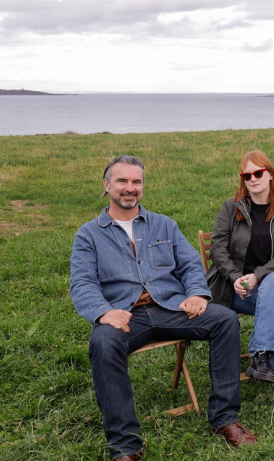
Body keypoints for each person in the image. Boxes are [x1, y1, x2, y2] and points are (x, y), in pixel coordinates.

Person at [69, 156, 255, 461]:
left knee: (224, 320)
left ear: (143, 186)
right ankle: (125, 445)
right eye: (122, 181)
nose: (130, 188)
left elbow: (191, 265)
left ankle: (225, 419)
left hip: (171, 307)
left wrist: (197, 293)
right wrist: (103, 312)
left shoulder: (164, 225)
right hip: (127, 316)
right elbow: (82, 283)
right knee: (103, 342)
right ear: (107, 185)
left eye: (136, 182)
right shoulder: (88, 235)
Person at [206, 151, 274, 390]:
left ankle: (262, 356)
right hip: (232, 289)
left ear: (270, 175)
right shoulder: (230, 208)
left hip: (268, 285)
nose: (253, 179)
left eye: (258, 173)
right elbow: (217, 250)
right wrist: (237, 277)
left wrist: (258, 275)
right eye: (247, 175)